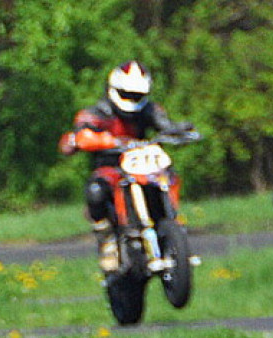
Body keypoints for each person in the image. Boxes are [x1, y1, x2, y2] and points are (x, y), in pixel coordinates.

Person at [59, 61, 193, 273]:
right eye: (127, 94)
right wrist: (91, 139)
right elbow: (80, 133)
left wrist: (179, 130)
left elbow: (165, 124)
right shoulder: (98, 112)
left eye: (137, 95)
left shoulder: (150, 109)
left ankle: (171, 222)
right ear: (114, 89)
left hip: (143, 162)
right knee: (96, 190)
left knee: (169, 176)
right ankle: (107, 241)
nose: (132, 99)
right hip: (112, 166)